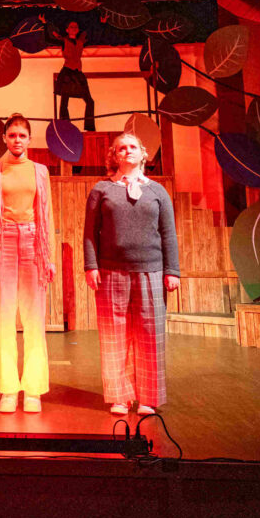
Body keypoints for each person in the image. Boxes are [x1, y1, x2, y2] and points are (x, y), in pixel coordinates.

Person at [83, 131, 179, 415]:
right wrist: (91, 265)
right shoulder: (102, 190)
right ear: (114, 155)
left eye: (133, 147)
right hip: (111, 271)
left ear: (143, 153)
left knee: (150, 335)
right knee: (114, 336)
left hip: (151, 271)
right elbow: (90, 233)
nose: (127, 151)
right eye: (121, 148)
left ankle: (148, 397)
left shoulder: (158, 191)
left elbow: (168, 233)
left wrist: (172, 270)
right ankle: (119, 397)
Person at [0, 114, 56, 413]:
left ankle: (33, 389)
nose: (17, 140)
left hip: (34, 241)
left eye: (22, 135)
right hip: (4, 242)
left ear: (29, 139)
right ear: (4, 139)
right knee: (4, 316)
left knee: (34, 318)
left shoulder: (40, 171)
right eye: (12, 135)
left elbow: (47, 214)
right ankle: (9, 388)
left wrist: (49, 257)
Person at [49, 19, 96, 131]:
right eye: (71, 27)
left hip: (78, 72)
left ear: (78, 30)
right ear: (67, 30)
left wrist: (101, 23)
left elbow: (94, 34)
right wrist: (45, 24)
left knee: (90, 101)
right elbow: (49, 39)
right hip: (67, 72)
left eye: (76, 27)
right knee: (64, 101)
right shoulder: (63, 41)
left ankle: (89, 127)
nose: (74, 28)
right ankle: (65, 126)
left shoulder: (81, 42)